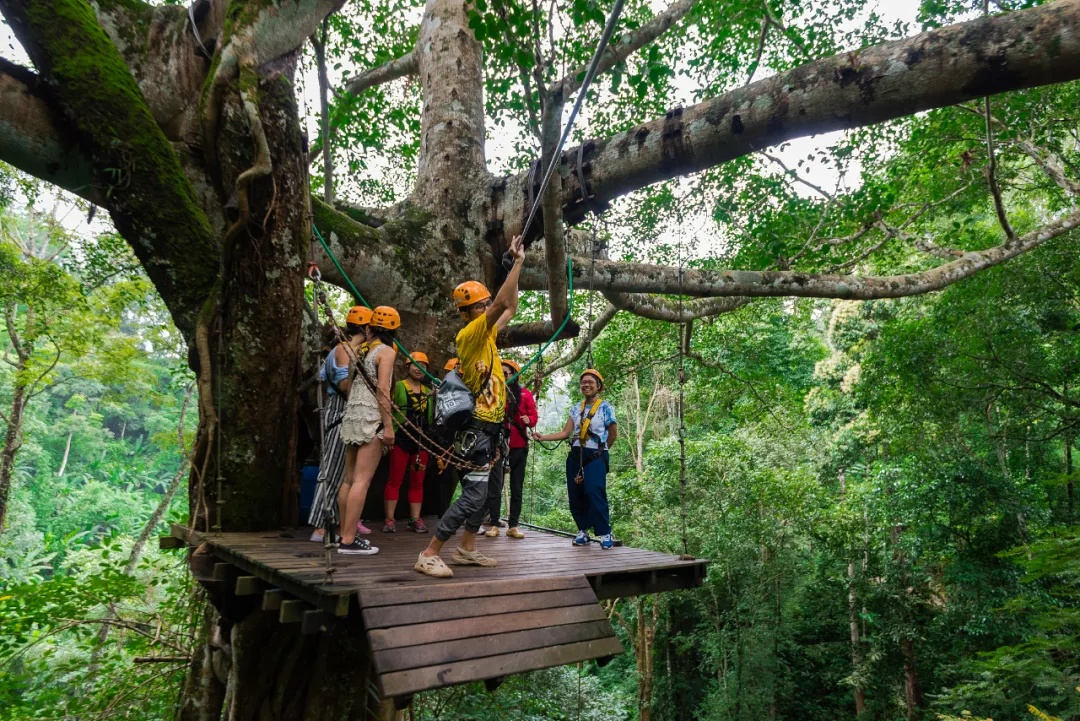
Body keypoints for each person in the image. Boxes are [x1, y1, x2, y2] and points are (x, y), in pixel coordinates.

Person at [414, 234, 526, 577]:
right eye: (480, 305)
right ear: (468, 313)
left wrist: (516, 267)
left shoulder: (486, 336)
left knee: (484, 493)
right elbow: (500, 306)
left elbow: (510, 307)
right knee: (474, 498)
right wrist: (516, 263)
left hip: (490, 430)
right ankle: (429, 552)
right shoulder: (469, 335)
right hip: (475, 428)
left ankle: (467, 548)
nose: (486, 308)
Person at [336, 306, 400, 555]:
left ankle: (344, 533)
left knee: (348, 480)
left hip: (352, 416)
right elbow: (383, 390)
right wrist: (388, 426)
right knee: (362, 481)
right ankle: (350, 540)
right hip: (371, 418)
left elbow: (350, 389)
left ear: (370, 328)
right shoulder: (386, 352)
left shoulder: (360, 352)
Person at [531, 369, 619, 549]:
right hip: (576, 455)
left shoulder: (605, 407)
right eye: (583, 382)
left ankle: (604, 532)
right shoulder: (575, 409)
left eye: (590, 382)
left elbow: (613, 433)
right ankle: (583, 530)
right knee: (576, 494)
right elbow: (566, 432)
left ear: (598, 386)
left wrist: (603, 450)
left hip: (596, 455)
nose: (586, 385)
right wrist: (543, 437)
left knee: (595, 492)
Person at [308, 306, 370, 543]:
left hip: (350, 411)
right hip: (339, 411)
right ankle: (320, 526)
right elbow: (345, 386)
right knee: (333, 469)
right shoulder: (345, 350)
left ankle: (339, 523)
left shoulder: (352, 349)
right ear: (366, 328)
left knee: (348, 472)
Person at [481, 359, 536, 539]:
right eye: (501, 373)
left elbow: (533, 416)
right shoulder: (494, 393)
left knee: (516, 486)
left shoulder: (525, 395)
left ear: (514, 375)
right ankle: (495, 522)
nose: (503, 376)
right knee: (494, 485)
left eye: (506, 373)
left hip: (519, 445)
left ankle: (513, 524)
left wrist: (529, 420)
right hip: (498, 445)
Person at [383, 351, 434, 533]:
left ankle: (415, 519)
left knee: (417, 482)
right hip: (401, 440)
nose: (419, 368)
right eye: (415, 364)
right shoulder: (397, 387)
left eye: (423, 366)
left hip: (421, 443)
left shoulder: (429, 392)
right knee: (394, 480)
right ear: (407, 367)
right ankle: (389, 519)